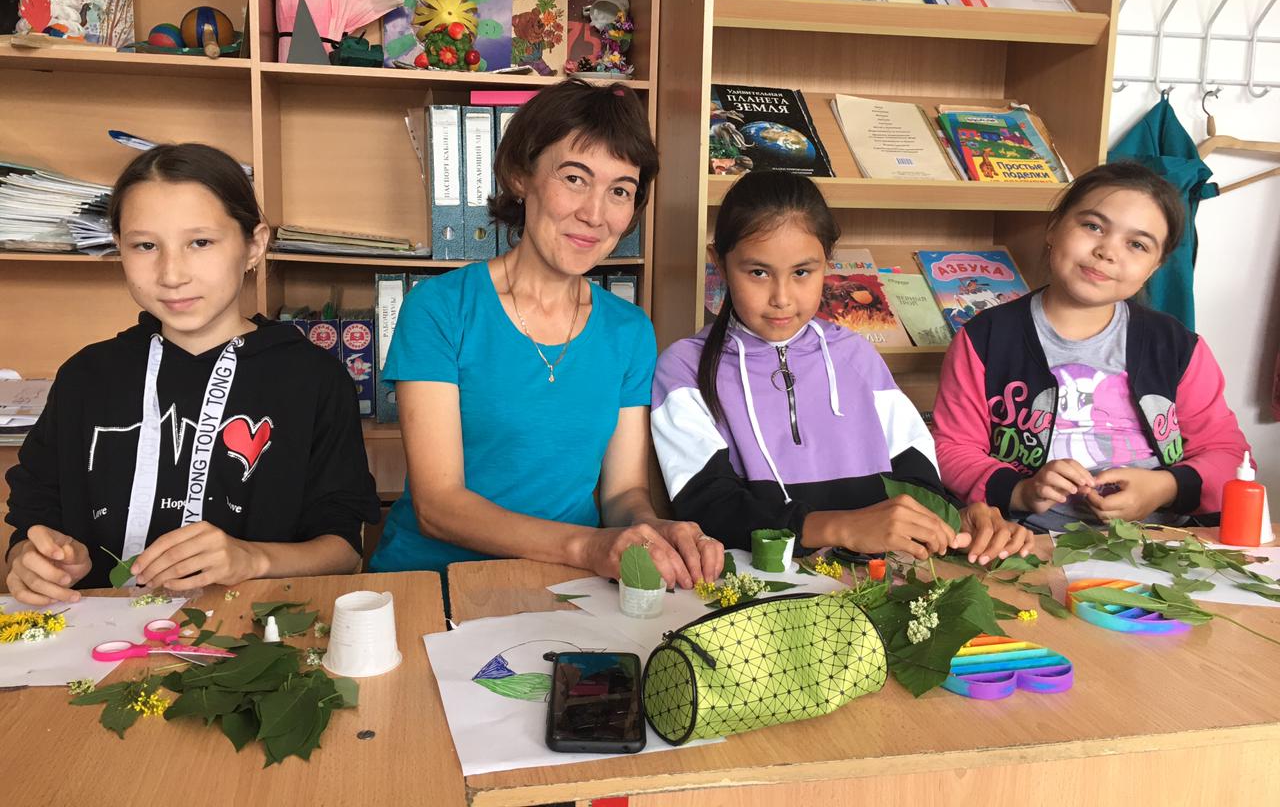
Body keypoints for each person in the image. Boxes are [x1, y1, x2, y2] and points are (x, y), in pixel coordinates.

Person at [369, 81, 723, 587]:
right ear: (521, 175)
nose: (594, 214)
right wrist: (588, 546)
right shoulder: (440, 308)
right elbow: (439, 507)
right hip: (430, 584)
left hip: (566, 588)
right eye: (575, 178)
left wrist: (653, 531)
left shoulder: (629, 332)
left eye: (620, 191)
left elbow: (622, 494)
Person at [4, 144, 380, 605]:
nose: (172, 274)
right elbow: (32, 517)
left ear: (254, 245)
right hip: (101, 629)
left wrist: (252, 559)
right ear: (118, 246)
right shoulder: (86, 375)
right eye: (145, 245)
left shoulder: (312, 379)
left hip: (253, 624)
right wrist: (32, 559)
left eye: (200, 242)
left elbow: (343, 548)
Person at [650, 171, 1032, 564]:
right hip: (758, 581)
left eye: (802, 272)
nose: (781, 297)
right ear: (719, 262)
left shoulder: (857, 356)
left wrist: (957, 518)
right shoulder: (684, 369)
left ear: (827, 264)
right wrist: (841, 527)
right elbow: (710, 509)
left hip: (876, 577)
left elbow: (919, 487)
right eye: (758, 273)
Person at [933, 161, 1251, 531]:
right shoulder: (985, 338)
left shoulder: (1177, 346)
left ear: (1154, 266)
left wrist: (1164, 488)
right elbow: (951, 448)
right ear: (1054, 228)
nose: (1107, 251)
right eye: (1093, 226)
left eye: (1137, 244)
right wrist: (1022, 491)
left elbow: (1230, 456)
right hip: (1031, 538)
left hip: (1164, 538)